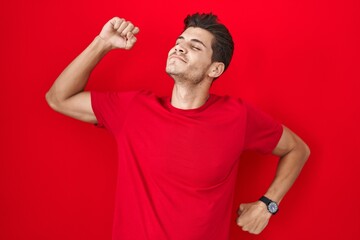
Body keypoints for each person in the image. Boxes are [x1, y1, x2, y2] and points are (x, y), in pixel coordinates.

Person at [46, 13, 310, 240]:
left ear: (215, 69)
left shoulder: (238, 116)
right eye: (178, 42)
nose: (179, 48)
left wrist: (268, 205)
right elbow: (58, 98)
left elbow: (298, 149)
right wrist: (101, 44)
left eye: (195, 47)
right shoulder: (132, 109)